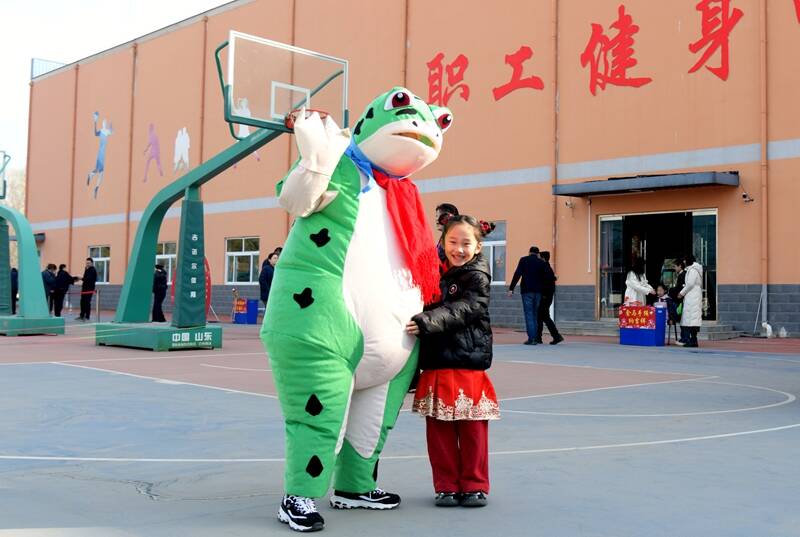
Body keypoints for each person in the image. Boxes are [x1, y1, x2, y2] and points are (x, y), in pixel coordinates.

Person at [406, 215, 498, 508]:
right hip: (436, 363)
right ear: (443, 242)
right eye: (452, 242)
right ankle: (445, 485)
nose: (459, 249)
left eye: (466, 243)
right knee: (439, 431)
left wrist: (427, 321)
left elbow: (468, 308)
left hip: (467, 363)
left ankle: (475, 485)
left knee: (472, 430)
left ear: (478, 246)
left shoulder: (477, 276)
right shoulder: (431, 270)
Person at [507, 246, 547, 345]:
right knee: (535, 314)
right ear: (538, 254)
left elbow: (517, 274)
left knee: (529, 314)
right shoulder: (541, 263)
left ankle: (531, 339)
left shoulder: (524, 260)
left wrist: (511, 288)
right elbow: (545, 278)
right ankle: (535, 338)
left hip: (527, 291)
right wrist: (544, 292)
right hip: (538, 292)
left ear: (529, 252)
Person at [536, 251, 563, 345]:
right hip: (547, 296)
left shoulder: (545, 268)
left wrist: (543, 295)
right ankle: (541, 337)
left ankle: (555, 336)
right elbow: (551, 279)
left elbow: (547, 282)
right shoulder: (547, 268)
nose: (538, 259)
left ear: (543, 258)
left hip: (545, 296)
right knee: (541, 317)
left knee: (543, 317)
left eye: (539, 258)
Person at [677, 254, 704, 348]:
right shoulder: (695, 269)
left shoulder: (692, 270)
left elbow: (690, 284)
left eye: (685, 260)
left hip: (692, 296)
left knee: (690, 319)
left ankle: (690, 340)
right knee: (693, 319)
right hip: (694, 295)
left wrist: (681, 293)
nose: (684, 262)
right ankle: (693, 340)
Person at [668, 259, 688, 344]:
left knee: (683, 320)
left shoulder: (682, 275)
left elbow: (679, 288)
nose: (674, 268)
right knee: (682, 320)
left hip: (681, 300)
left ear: (680, 266)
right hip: (682, 300)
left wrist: (671, 291)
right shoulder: (683, 274)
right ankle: (684, 338)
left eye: (675, 266)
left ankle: (684, 338)